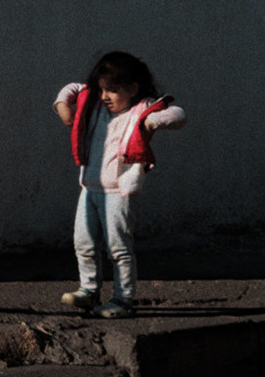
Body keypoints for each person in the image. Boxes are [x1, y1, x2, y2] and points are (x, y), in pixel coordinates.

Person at [52, 50, 186, 317]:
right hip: (89, 187)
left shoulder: (142, 108)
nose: (104, 96)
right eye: (102, 89)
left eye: (112, 90)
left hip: (119, 192)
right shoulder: (96, 104)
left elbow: (179, 115)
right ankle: (89, 290)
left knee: (118, 248)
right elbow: (71, 89)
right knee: (83, 242)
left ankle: (123, 300)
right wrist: (62, 106)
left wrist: (151, 121)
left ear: (133, 88)